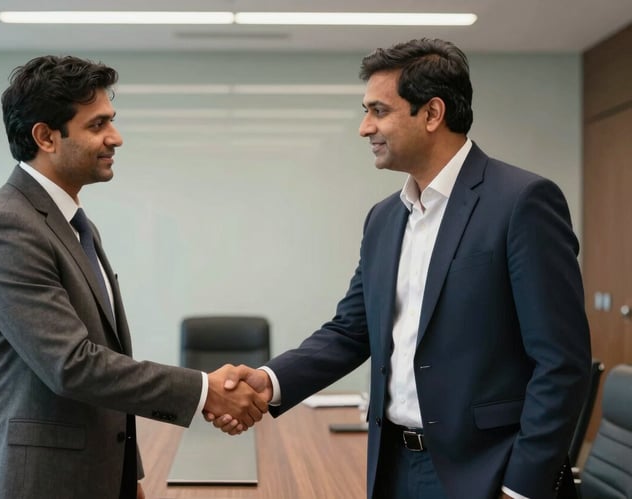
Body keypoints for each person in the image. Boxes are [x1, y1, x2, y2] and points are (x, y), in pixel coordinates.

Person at [213, 38, 591, 499]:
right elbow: (352, 331)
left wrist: (521, 488)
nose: (364, 127)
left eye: (378, 111)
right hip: (392, 465)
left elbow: (561, 363)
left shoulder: (522, 202)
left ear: (431, 114)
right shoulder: (384, 218)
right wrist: (268, 382)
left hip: (488, 472)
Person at [0, 55, 267, 499]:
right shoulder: (6, 228)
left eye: (111, 122)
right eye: (97, 125)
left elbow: (103, 356)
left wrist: (126, 475)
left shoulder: (71, 222)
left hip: (89, 475)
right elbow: (72, 365)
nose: (115, 138)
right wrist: (204, 391)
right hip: (36, 482)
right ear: (45, 136)